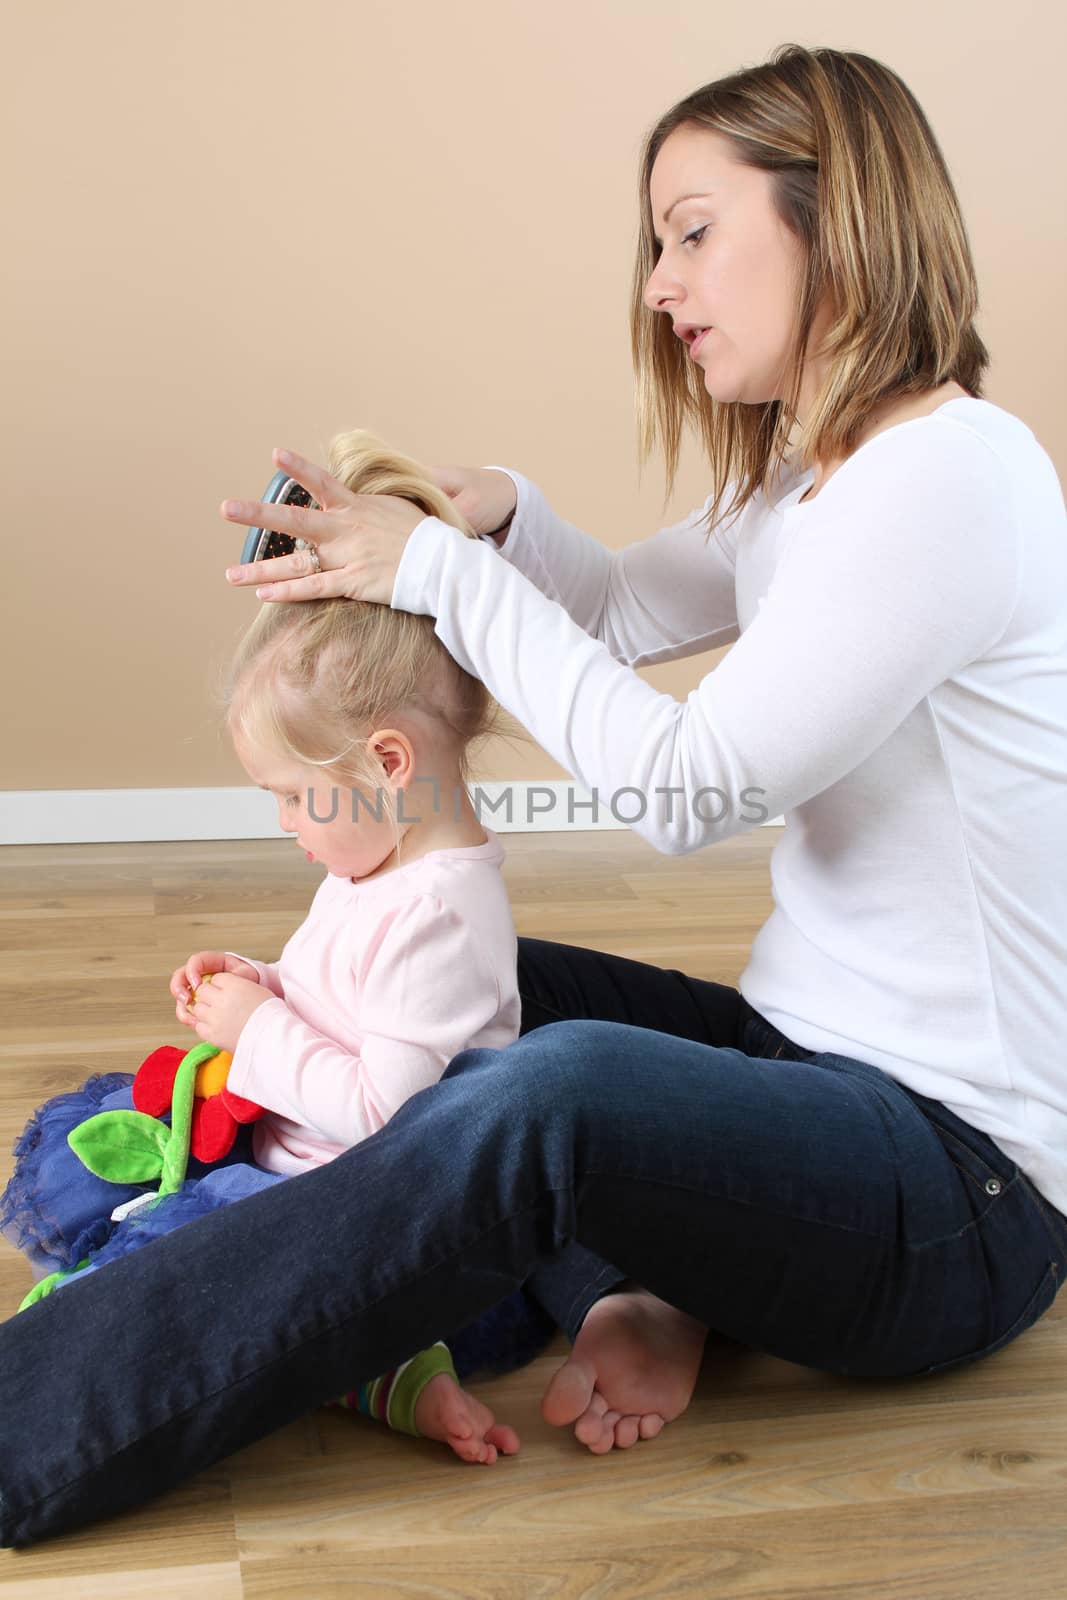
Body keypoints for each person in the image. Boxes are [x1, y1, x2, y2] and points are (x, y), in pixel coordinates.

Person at [3, 41, 1067, 1548]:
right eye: (655, 242)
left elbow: (684, 789)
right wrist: (491, 512)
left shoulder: (950, 479)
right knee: (460, 985)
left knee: (545, 1099)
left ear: (836, 219)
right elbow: (621, 612)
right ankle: (651, 1279)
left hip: (956, 1198)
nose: (656, 281)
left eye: (691, 229)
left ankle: (32, 1421)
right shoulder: (810, 479)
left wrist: (432, 570)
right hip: (802, 1064)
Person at [0, 428, 559, 1467]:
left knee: (181, 1268)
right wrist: (259, 986)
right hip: (293, 1156)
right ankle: (344, 1355)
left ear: (387, 762)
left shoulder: (437, 915)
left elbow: (389, 1115)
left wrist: (256, 1031)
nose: (288, 826)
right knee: (110, 1141)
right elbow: (326, 995)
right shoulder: (371, 863)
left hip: (370, 1217)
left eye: (296, 798)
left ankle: (382, 1362)